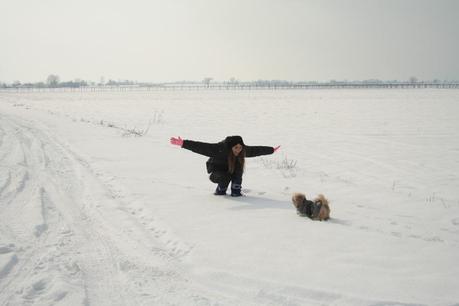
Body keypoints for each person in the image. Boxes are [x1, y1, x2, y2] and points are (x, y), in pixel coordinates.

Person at [170, 135, 280, 196]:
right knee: (225, 177)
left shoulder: (242, 151)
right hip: (217, 173)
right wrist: (183, 143)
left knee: (239, 167)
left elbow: (256, 150)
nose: (238, 150)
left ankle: (236, 190)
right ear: (230, 146)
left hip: (231, 170)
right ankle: (221, 189)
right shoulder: (219, 149)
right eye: (235, 147)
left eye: (240, 147)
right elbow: (202, 147)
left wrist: (271, 150)